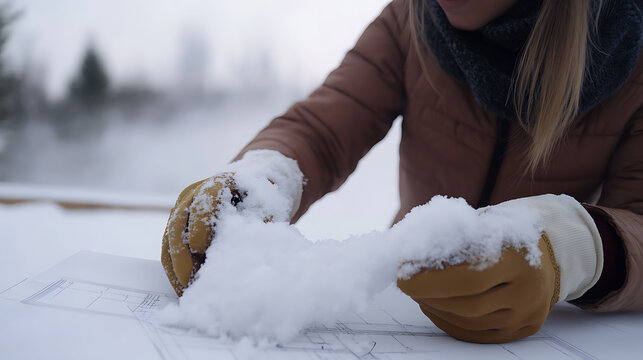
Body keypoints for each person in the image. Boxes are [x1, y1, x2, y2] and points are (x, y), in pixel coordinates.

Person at [161, 0, 643, 344]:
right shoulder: (408, 18)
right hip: (401, 319)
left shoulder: (634, 57)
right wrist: (258, 183)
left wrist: (569, 248)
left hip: (544, 329)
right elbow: (324, 129)